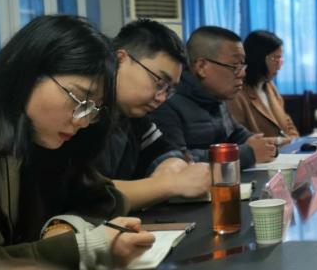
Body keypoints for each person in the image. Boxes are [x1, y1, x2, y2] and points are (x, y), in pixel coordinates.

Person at [0, 15, 153, 270]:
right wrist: (85, 247)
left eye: (93, 108)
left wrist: (65, 225)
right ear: (28, 73)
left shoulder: (36, 133)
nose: (83, 121)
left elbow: (106, 198)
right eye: (78, 99)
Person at [96, 19, 210, 210]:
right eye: (159, 83)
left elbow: (166, 152)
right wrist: (169, 185)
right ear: (120, 59)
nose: (162, 97)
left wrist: (171, 166)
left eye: (169, 89)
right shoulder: (82, 116)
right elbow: (85, 195)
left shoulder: (133, 117)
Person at [149, 26, 277, 169]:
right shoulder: (166, 103)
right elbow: (178, 162)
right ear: (202, 66)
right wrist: (248, 153)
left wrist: (256, 141)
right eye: (235, 66)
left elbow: (235, 133)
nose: (242, 74)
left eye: (242, 66)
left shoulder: (215, 96)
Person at [227, 30, 299, 143]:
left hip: (286, 151)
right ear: (259, 58)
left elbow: (287, 124)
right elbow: (240, 139)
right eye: (276, 59)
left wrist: (296, 142)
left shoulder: (269, 86)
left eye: (280, 60)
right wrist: (280, 141)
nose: (279, 66)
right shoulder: (236, 93)